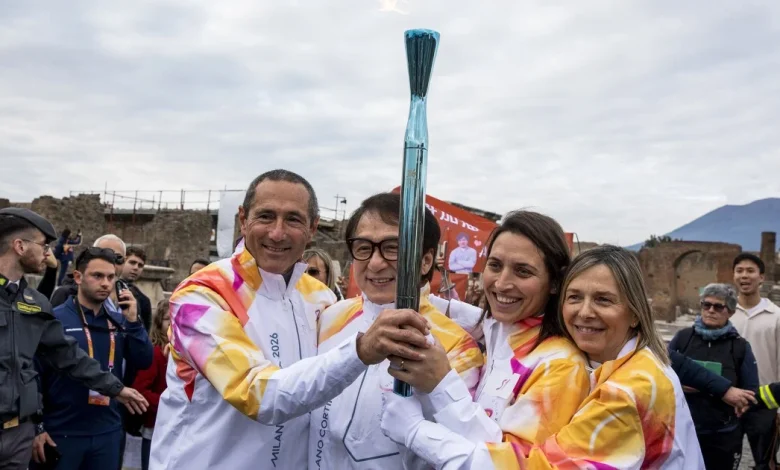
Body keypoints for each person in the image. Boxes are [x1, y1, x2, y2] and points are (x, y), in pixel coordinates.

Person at [150, 170, 434, 469]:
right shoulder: (202, 295)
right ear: (243, 219)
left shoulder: (321, 299)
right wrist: (360, 351)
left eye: (293, 220)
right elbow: (256, 394)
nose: (277, 232)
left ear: (312, 228)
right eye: (266, 216)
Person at [382, 245, 705, 469]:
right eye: (575, 297)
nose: (585, 312)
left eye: (604, 300)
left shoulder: (628, 390)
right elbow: (492, 323)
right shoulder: (626, 363)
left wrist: (415, 431)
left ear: (635, 312)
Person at [380, 210, 592, 467]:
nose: (502, 284)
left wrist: (424, 415)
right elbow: (463, 314)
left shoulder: (561, 366)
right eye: (495, 265)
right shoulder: (497, 327)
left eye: (522, 272)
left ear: (555, 282)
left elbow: (514, 462)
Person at [309, 193, 484, 469]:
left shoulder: (456, 347)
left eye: (393, 248)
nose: (375, 263)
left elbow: (461, 448)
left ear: (426, 261)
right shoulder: (330, 317)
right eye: (364, 247)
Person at [0, 208, 147, 470]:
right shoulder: (56, 309)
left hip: (17, 435)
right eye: (44, 245)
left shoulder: (35, 303)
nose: (49, 254)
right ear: (20, 246)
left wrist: (117, 389)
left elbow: (69, 356)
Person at [31, 247, 154, 470]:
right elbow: (34, 373)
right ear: (78, 277)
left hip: (106, 430)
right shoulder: (55, 318)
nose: (106, 283)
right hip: (61, 430)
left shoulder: (120, 320)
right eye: (97, 276)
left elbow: (144, 360)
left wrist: (134, 322)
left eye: (110, 277)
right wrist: (37, 426)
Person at [669, 283, 758, 470]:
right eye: (706, 305)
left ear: (731, 312)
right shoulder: (683, 338)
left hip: (723, 434)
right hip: (684, 431)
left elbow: (750, 390)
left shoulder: (740, 347)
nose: (710, 310)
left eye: (718, 306)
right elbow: (663, 376)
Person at [730, 253, 780, 470]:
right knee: (723, 461)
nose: (744, 276)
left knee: (764, 463)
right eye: (739, 271)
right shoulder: (725, 314)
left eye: (750, 271)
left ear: (761, 277)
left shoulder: (776, 316)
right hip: (728, 399)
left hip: (766, 402)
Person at [132, 299, 170, 470]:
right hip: (156, 427)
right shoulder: (155, 353)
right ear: (158, 322)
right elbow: (140, 390)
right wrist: (168, 404)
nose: (174, 323)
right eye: (168, 319)